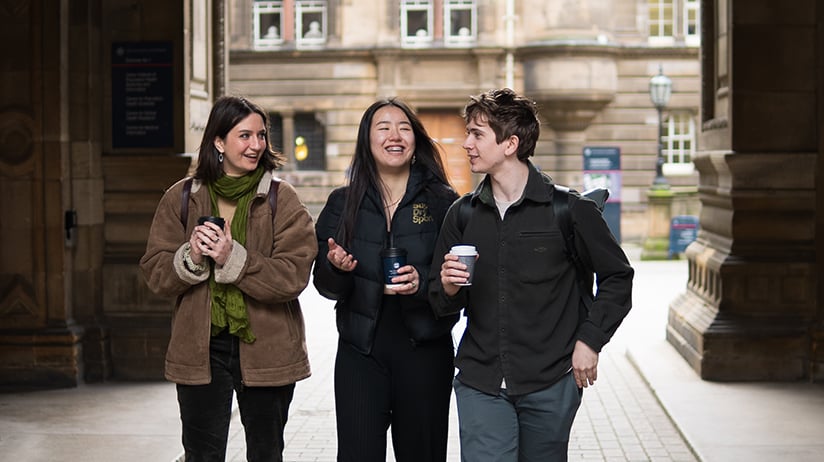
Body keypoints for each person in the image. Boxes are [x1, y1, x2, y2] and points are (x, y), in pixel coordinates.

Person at [428, 88, 634, 461]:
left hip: (551, 380)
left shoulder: (569, 209)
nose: (465, 143)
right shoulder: (462, 214)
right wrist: (446, 286)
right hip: (481, 380)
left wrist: (590, 341)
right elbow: (441, 306)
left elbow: (618, 277)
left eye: (477, 134)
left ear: (510, 143)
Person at [139, 95, 318, 462]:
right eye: (244, 136)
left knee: (266, 454)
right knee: (202, 455)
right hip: (201, 348)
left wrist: (230, 257)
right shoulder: (182, 198)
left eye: (261, 135)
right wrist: (191, 256)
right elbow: (156, 273)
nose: (256, 145)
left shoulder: (281, 200)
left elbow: (294, 274)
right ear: (218, 142)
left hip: (268, 349)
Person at [313, 98, 459, 462]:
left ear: (415, 141)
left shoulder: (444, 203)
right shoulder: (342, 203)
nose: (395, 135)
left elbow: (461, 286)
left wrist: (422, 284)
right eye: (383, 127)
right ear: (367, 140)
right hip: (361, 353)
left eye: (404, 127)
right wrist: (337, 269)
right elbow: (324, 286)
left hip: (425, 352)